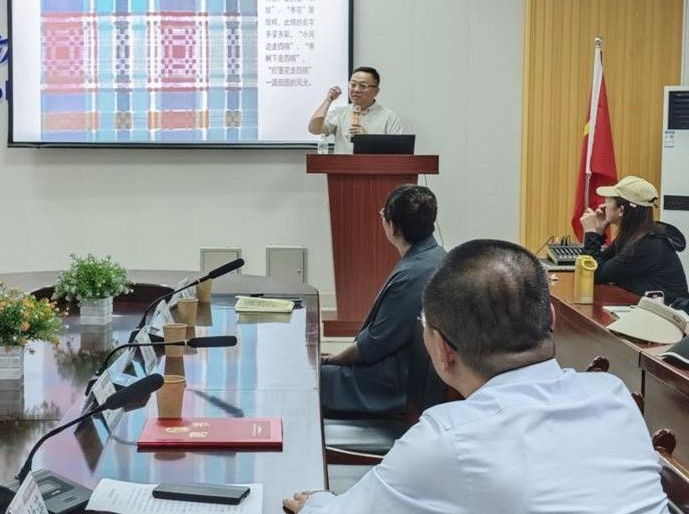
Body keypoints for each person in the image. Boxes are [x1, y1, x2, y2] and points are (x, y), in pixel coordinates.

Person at [285, 240, 668, 513]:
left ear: (441, 350)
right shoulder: (612, 394)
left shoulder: (447, 438)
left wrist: (317, 503)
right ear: (550, 318)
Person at [321, 184, 444, 414]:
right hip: (407, 374)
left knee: (306, 380)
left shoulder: (411, 275)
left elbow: (372, 347)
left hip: (388, 385)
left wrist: (331, 360)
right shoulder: (437, 257)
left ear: (392, 227)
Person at [580, 175, 688, 307]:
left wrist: (591, 233)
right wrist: (598, 233)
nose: (603, 205)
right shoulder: (633, 235)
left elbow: (593, 274)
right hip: (647, 311)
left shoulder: (647, 244)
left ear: (621, 210)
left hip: (668, 315)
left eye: (608, 200)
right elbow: (596, 267)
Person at [307, 67, 403, 154]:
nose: (356, 90)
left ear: (376, 91)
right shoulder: (340, 112)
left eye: (363, 86)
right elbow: (314, 129)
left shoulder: (388, 116)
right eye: (353, 85)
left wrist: (368, 140)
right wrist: (328, 100)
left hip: (375, 167)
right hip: (343, 167)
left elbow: (397, 151)